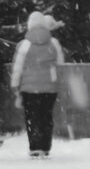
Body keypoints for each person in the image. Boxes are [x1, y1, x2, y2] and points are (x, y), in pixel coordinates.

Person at [10, 11, 65, 159]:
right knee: (46, 116)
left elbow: (18, 68)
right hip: (50, 87)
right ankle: (45, 146)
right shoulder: (54, 43)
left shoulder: (24, 44)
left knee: (32, 117)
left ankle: (35, 147)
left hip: (29, 88)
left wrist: (15, 86)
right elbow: (60, 64)